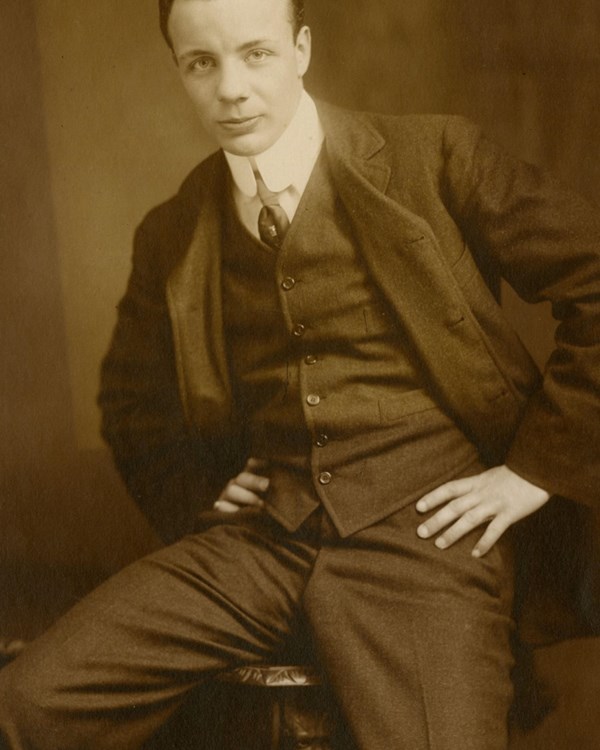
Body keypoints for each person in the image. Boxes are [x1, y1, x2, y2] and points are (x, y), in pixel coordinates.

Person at [1, 0, 599, 747]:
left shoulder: (435, 158)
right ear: (179, 73)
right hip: (258, 544)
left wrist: (532, 471)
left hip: (423, 547)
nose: (230, 89)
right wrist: (199, 491)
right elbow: (130, 402)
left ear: (302, 49)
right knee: (26, 702)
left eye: (255, 54)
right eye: (201, 63)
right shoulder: (176, 227)